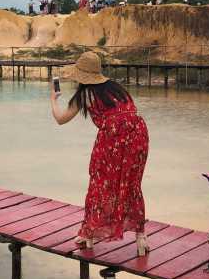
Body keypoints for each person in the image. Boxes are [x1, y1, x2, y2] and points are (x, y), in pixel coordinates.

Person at [50, 51, 149, 254]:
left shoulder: (84, 95)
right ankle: (141, 238)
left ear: (81, 76)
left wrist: (53, 99)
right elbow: (129, 113)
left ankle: (88, 233)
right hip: (138, 134)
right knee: (131, 184)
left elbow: (60, 118)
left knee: (99, 183)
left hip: (112, 137)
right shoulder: (117, 88)